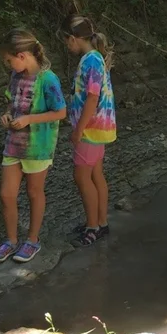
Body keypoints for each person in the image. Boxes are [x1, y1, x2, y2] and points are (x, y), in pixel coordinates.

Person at [0, 29, 66, 264]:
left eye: (9, 60)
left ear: (21, 55)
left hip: (38, 147)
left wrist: (30, 119)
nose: (9, 66)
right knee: (6, 194)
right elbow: (13, 106)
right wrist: (7, 115)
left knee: (34, 192)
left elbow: (61, 112)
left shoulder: (48, 79)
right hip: (13, 144)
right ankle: (11, 241)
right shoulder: (16, 77)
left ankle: (32, 240)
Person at [61, 15, 116, 247]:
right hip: (97, 128)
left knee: (82, 176)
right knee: (95, 174)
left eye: (66, 41)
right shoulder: (93, 58)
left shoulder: (90, 61)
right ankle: (100, 222)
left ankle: (93, 226)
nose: (66, 46)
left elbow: (92, 98)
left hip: (91, 130)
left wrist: (78, 129)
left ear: (73, 38)